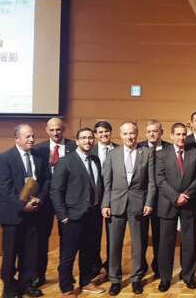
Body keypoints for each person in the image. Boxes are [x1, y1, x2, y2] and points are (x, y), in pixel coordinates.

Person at [101, 122, 156, 295]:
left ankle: (136, 279)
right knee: (114, 245)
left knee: (138, 245)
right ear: (120, 135)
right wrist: (105, 203)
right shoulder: (113, 154)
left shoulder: (147, 153)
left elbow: (152, 182)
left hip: (139, 205)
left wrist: (149, 202)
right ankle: (115, 280)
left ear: (137, 134)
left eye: (132, 133)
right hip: (116, 204)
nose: (129, 137)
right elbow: (107, 182)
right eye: (125, 134)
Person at [51, 127, 105, 297]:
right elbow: (56, 190)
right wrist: (63, 216)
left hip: (93, 215)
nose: (87, 141)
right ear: (77, 141)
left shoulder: (95, 159)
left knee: (88, 251)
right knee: (68, 254)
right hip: (72, 217)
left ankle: (86, 282)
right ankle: (66, 288)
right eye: (83, 138)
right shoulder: (66, 161)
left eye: (90, 138)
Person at [0, 124, 50, 298]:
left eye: (33, 136)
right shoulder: (4, 158)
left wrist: (39, 199)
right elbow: (5, 188)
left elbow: (46, 181)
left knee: (30, 252)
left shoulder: (39, 157)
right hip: (13, 215)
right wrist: (23, 205)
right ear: (17, 138)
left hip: (34, 213)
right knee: (10, 253)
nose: (32, 139)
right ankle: (9, 288)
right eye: (27, 136)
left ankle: (26, 284)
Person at [155, 122, 196, 292]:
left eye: (184, 134)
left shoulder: (195, 152)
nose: (181, 137)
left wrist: (186, 195)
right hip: (168, 203)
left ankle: (188, 276)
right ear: (171, 135)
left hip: (189, 203)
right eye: (178, 134)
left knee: (189, 242)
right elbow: (160, 179)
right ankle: (165, 278)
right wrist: (176, 197)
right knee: (166, 244)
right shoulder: (162, 154)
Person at [32, 117, 77, 288]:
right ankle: (39, 274)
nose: (55, 132)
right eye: (51, 130)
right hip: (44, 200)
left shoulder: (74, 147)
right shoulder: (39, 149)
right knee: (41, 238)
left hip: (67, 199)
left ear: (63, 129)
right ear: (46, 130)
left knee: (68, 239)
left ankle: (65, 274)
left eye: (58, 129)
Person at [137, 120, 171, 279]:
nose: (152, 134)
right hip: (142, 200)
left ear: (161, 132)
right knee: (141, 236)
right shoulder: (139, 148)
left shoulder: (169, 148)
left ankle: (158, 267)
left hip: (162, 200)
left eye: (155, 131)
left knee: (159, 237)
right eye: (149, 131)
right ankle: (141, 267)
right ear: (145, 133)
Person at [90, 120, 118, 281]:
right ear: (95, 135)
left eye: (106, 131)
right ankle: (95, 267)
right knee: (94, 234)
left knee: (112, 236)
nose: (104, 134)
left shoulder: (119, 149)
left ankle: (111, 266)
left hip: (114, 198)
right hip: (94, 199)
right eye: (100, 132)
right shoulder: (90, 150)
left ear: (111, 132)